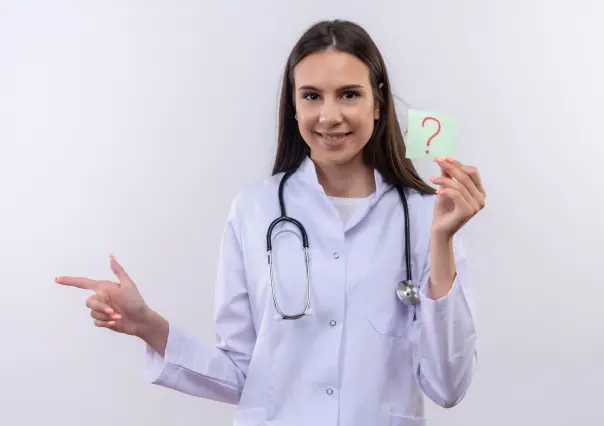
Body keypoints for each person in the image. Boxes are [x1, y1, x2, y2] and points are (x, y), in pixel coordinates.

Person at [56, 19, 486, 426]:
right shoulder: (254, 211)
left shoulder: (425, 216)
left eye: (349, 94)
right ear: (293, 106)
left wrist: (442, 240)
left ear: (378, 102)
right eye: (312, 96)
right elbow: (242, 373)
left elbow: (447, 386)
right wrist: (148, 325)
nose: (329, 116)